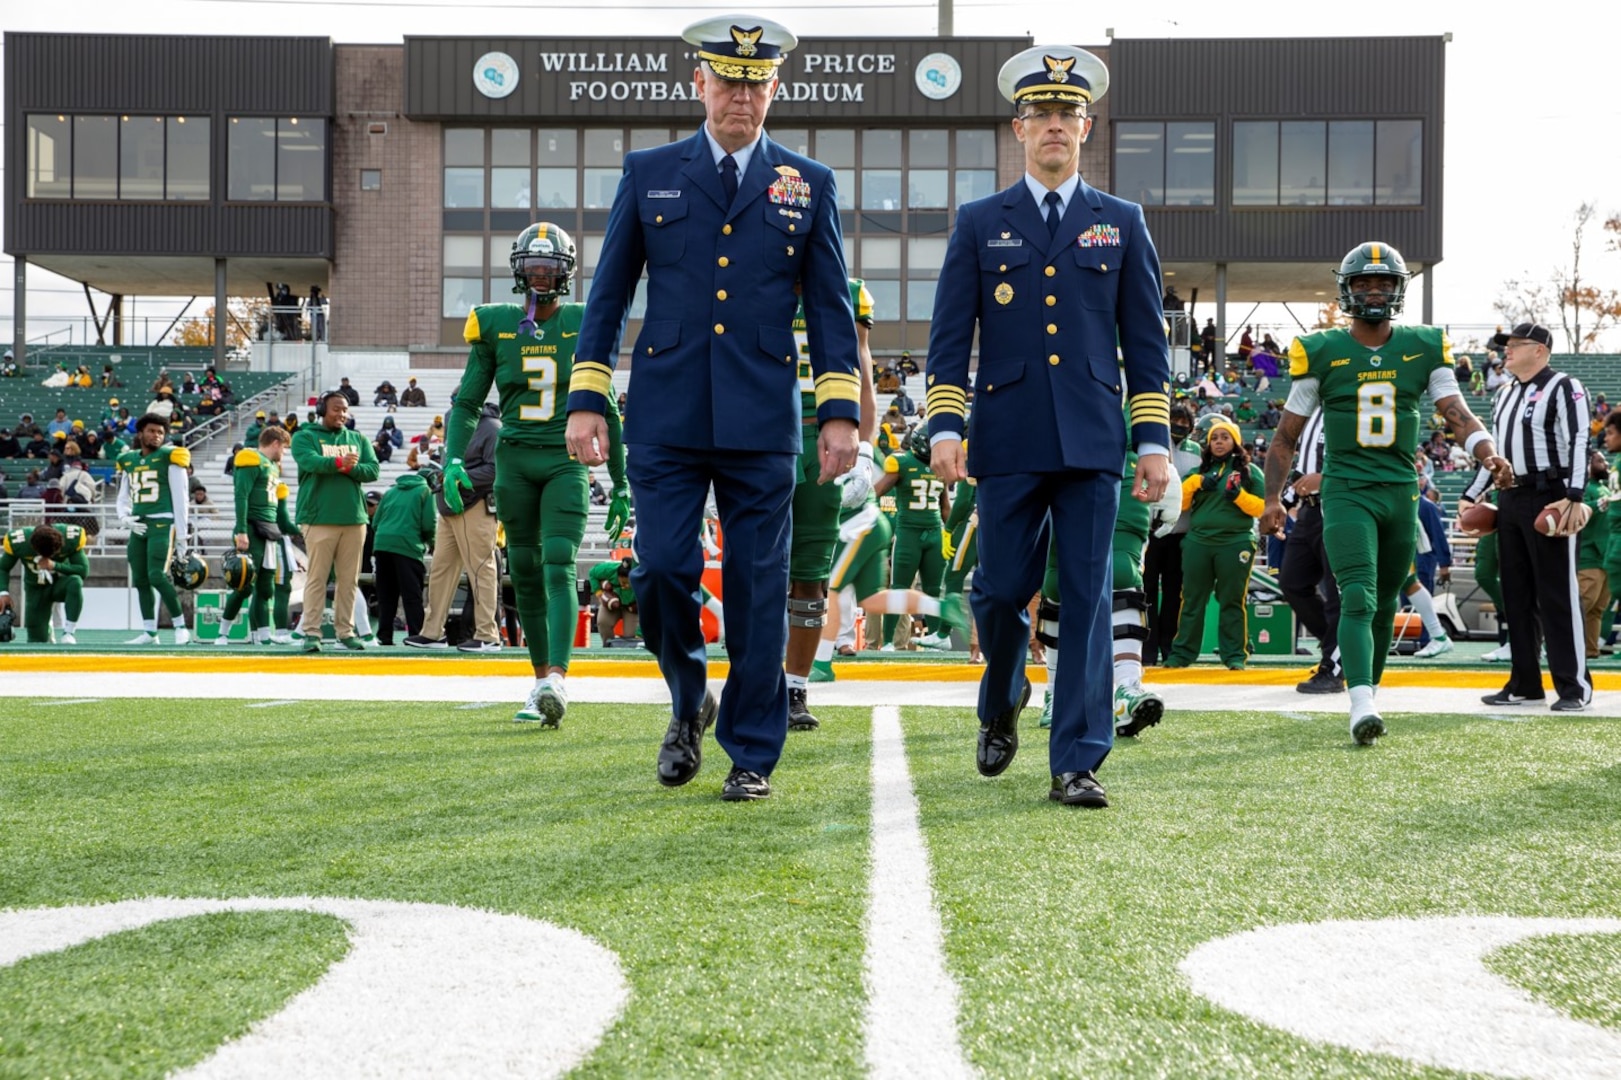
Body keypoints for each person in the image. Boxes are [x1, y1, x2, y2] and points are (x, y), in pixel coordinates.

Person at [564, 15, 860, 803]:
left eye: (756, 82)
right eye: (727, 80)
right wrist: (588, 397)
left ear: (775, 88)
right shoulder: (650, 171)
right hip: (666, 412)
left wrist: (839, 414)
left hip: (763, 417)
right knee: (661, 569)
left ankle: (752, 750)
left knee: (759, 588)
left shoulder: (808, 183)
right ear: (697, 83)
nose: (742, 95)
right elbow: (609, 294)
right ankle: (688, 697)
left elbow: (830, 309)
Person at [925, 44, 1172, 810]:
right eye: (1042, 115)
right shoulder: (978, 223)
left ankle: (1077, 759)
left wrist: (1154, 439)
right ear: (1018, 128)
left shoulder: (1121, 223)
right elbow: (946, 337)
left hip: (1094, 437)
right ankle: (1001, 699)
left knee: (1090, 596)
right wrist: (943, 425)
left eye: (1068, 114)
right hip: (1006, 434)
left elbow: (1145, 341)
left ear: (1086, 127)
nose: (1055, 127)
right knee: (1000, 593)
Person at [1261, 242, 1505, 744]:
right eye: (1363, 282)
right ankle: (1360, 702)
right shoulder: (1323, 349)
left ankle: (1367, 689)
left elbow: (1457, 415)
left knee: (1383, 603)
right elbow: (1286, 436)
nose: (1374, 290)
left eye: (1385, 282)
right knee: (1356, 594)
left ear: (1399, 289)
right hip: (1347, 489)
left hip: (1401, 491)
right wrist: (1270, 501)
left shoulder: (1423, 345)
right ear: (1346, 290)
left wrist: (1487, 453)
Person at [443, 223, 627, 718]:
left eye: (550, 268)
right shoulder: (496, 324)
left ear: (565, 273)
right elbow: (466, 403)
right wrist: (453, 459)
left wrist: (622, 481)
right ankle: (541, 681)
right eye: (533, 267)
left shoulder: (583, 322)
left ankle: (560, 680)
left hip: (565, 460)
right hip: (514, 459)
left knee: (560, 559)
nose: (541, 277)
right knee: (522, 570)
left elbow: (607, 407)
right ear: (518, 270)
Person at [1461, 322, 1593, 712]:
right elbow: (1497, 455)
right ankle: (1524, 683)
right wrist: (1471, 494)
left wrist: (1573, 496)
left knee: (1557, 594)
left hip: (1551, 494)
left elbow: (1581, 439)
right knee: (1515, 594)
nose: (1506, 352)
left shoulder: (1565, 386)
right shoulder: (1503, 394)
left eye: (1513, 345)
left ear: (1538, 350)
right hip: (1511, 497)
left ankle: (1574, 687)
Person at [784, 277, 880, 727]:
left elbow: (861, 366)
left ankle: (793, 688)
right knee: (758, 572)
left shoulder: (847, 288)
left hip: (825, 436)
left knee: (810, 576)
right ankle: (759, 679)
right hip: (762, 436)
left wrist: (865, 450)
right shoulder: (752, 271)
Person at [1164, 418, 1264, 669]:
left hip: (1236, 542)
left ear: (1235, 441)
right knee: (1192, 599)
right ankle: (1182, 655)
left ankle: (1234, 656)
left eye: (1225, 437)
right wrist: (1196, 483)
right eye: (1215, 438)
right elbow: (1180, 504)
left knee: (1232, 600)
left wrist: (1239, 496)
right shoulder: (1198, 472)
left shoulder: (1251, 472)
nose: (1219, 442)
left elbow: (1263, 508)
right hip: (1198, 542)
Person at [408, 396, 502, 653]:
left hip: (476, 504)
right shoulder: (453, 420)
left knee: (482, 569)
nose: (452, 406)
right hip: (448, 505)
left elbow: (497, 470)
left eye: (457, 401)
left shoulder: (492, 428)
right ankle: (432, 632)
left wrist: (459, 477)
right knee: (440, 571)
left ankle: (488, 634)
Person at [291, 391, 380, 652]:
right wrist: (338, 462)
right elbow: (309, 461)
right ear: (322, 409)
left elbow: (373, 470)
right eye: (336, 409)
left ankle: (346, 631)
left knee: (349, 580)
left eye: (345, 410)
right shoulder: (305, 436)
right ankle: (312, 633)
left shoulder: (358, 439)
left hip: (354, 519)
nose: (342, 414)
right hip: (319, 519)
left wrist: (349, 468)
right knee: (317, 579)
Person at [1276, 407, 1344, 692]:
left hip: (1339, 507)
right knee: (1292, 582)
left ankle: (1336, 665)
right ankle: (1339, 644)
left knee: (1336, 593)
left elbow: (1365, 461)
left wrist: (1327, 479)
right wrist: (1284, 502)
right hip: (1309, 510)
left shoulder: (1347, 401)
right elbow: (1303, 468)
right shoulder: (1310, 408)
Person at [114, 414, 194, 645]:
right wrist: (124, 517)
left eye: (160, 432)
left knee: (156, 575)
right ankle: (150, 632)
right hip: (139, 525)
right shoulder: (129, 459)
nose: (156, 435)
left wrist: (182, 535)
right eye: (151, 431)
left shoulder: (170, 457)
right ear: (140, 433)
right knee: (140, 579)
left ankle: (180, 626)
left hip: (162, 522)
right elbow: (123, 495)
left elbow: (181, 499)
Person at [872, 427, 951, 650]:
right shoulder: (902, 462)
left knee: (934, 588)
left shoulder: (939, 465)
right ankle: (888, 642)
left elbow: (945, 507)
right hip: (908, 533)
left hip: (934, 533)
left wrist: (953, 532)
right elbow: (876, 492)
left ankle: (938, 637)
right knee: (899, 588)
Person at [217, 427, 292, 645]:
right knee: (244, 586)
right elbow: (241, 496)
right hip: (250, 528)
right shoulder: (251, 458)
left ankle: (263, 635)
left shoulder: (272, 466)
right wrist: (241, 530)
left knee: (266, 587)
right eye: (284, 448)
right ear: (276, 443)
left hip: (268, 530)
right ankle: (223, 633)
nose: (285, 454)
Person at [1141, 403, 1203, 666]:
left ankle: (1169, 646)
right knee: (1146, 591)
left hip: (1181, 532)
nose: (1179, 425)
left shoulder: (1197, 451)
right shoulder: (1155, 445)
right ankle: (1147, 648)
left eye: (1184, 421)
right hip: (1153, 530)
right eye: (1174, 420)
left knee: (1173, 592)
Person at [370, 464, 437, 647]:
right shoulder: (425, 491)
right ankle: (416, 634)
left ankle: (384, 635)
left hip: (382, 545)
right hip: (408, 546)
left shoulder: (391, 491)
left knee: (386, 595)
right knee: (412, 595)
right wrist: (431, 542)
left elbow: (375, 521)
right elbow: (428, 524)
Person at [0, 521, 89, 643]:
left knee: (75, 582)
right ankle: (47, 627)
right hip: (35, 589)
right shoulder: (20, 541)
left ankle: (69, 632)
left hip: (59, 584)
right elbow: (3, 567)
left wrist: (55, 565)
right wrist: (3, 592)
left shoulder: (69, 538)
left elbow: (83, 570)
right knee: (36, 640)